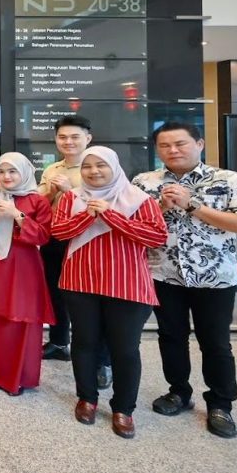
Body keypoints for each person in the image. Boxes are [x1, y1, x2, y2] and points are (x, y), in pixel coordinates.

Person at [133, 122, 237, 439]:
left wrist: (194, 205)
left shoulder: (229, 180)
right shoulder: (143, 183)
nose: (173, 150)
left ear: (199, 144)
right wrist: (161, 207)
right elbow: (133, 227)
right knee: (171, 337)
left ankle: (221, 404)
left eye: (180, 144)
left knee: (215, 343)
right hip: (163, 274)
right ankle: (179, 392)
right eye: (165, 146)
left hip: (215, 278)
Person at [51, 146, 167, 439]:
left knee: (125, 349)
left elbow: (156, 236)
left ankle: (123, 408)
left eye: (101, 165)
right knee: (84, 343)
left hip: (126, 284)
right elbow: (59, 232)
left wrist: (112, 216)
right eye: (87, 166)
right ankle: (87, 398)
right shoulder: (71, 198)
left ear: (114, 167)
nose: (93, 171)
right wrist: (89, 216)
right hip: (80, 281)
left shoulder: (139, 199)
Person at [0, 152, 53, 396]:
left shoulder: (37, 200)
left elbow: (44, 235)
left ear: (25, 172)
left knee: (23, 318)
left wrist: (17, 216)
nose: (6, 177)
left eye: (13, 171)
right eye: (2, 171)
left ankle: (23, 375)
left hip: (25, 267)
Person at [37, 115, 92, 364]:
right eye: (62, 137)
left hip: (85, 240)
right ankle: (59, 342)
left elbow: (104, 208)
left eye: (74, 137)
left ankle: (92, 354)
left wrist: (70, 191)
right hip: (54, 237)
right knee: (55, 292)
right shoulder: (52, 169)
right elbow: (39, 205)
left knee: (84, 298)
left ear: (87, 138)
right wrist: (51, 190)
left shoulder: (97, 167)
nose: (68, 141)